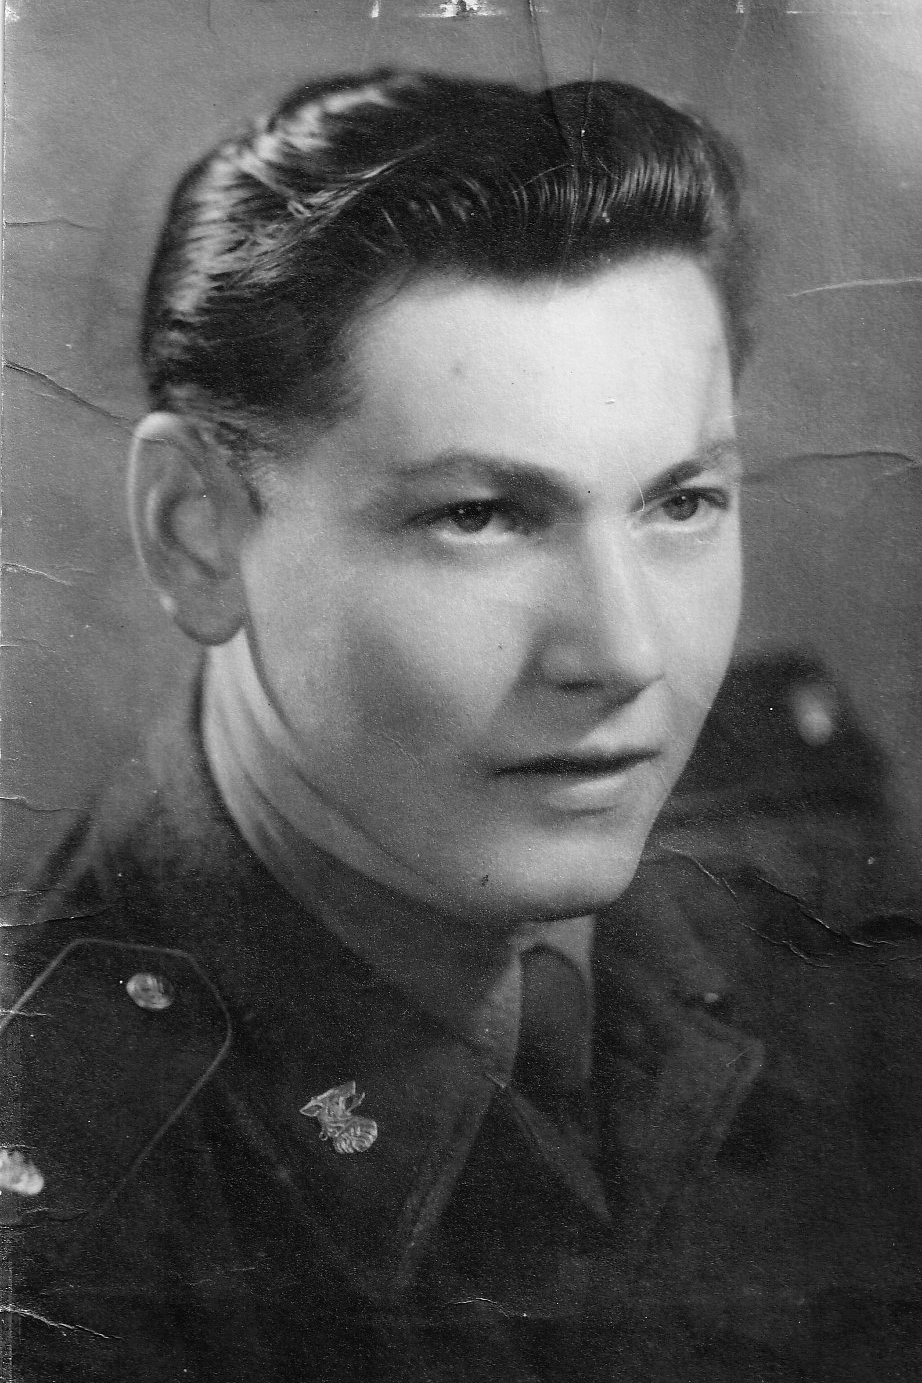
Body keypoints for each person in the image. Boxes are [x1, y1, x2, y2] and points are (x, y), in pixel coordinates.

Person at [2, 70, 920, 1382]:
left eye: (680, 503)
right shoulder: (60, 1232)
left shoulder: (812, 870)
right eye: (477, 516)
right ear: (196, 532)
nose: (625, 657)